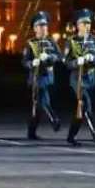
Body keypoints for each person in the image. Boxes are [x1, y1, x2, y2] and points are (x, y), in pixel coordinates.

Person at [63, 9, 95, 146]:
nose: (87, 26)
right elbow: (66, 62)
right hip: (77, 78)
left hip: (90, 78)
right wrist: (76, 62)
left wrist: (94, 58)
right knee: (85, 101)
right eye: (84, 23)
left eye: (89, 23)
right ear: (78, 25)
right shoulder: (71, 41)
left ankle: (71, 136)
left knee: (81, 108)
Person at [22, 11, 61, 140]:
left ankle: (31, 132)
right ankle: (53, 119)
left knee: (37, 107)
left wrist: (50, 56)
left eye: (45, 25)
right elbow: (24, 61)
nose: (44, 28)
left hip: (49, 76)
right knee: (43, 100)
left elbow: (59, 56)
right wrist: (32, 63)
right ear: (35, 28)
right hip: (36, 77)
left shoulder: (51, 42)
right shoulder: (30, 43)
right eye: (40, 25)